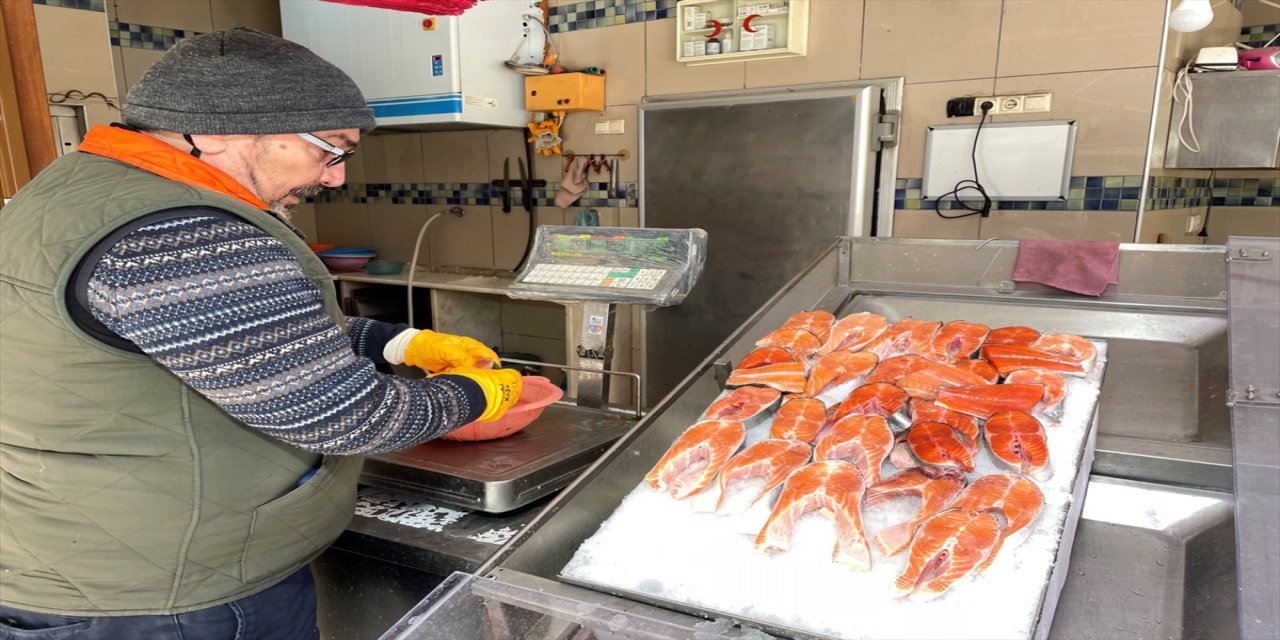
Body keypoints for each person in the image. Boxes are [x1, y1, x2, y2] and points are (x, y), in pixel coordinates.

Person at [0, 26, 522, 639]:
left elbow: (231, 334)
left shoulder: (68, 192)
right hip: (170, 598)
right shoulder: (183, 231)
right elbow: (348, 415)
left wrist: (398, 343)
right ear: (220, 131)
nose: (334, 178)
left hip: (80, 556)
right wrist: (480, 397)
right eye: (330, 149)